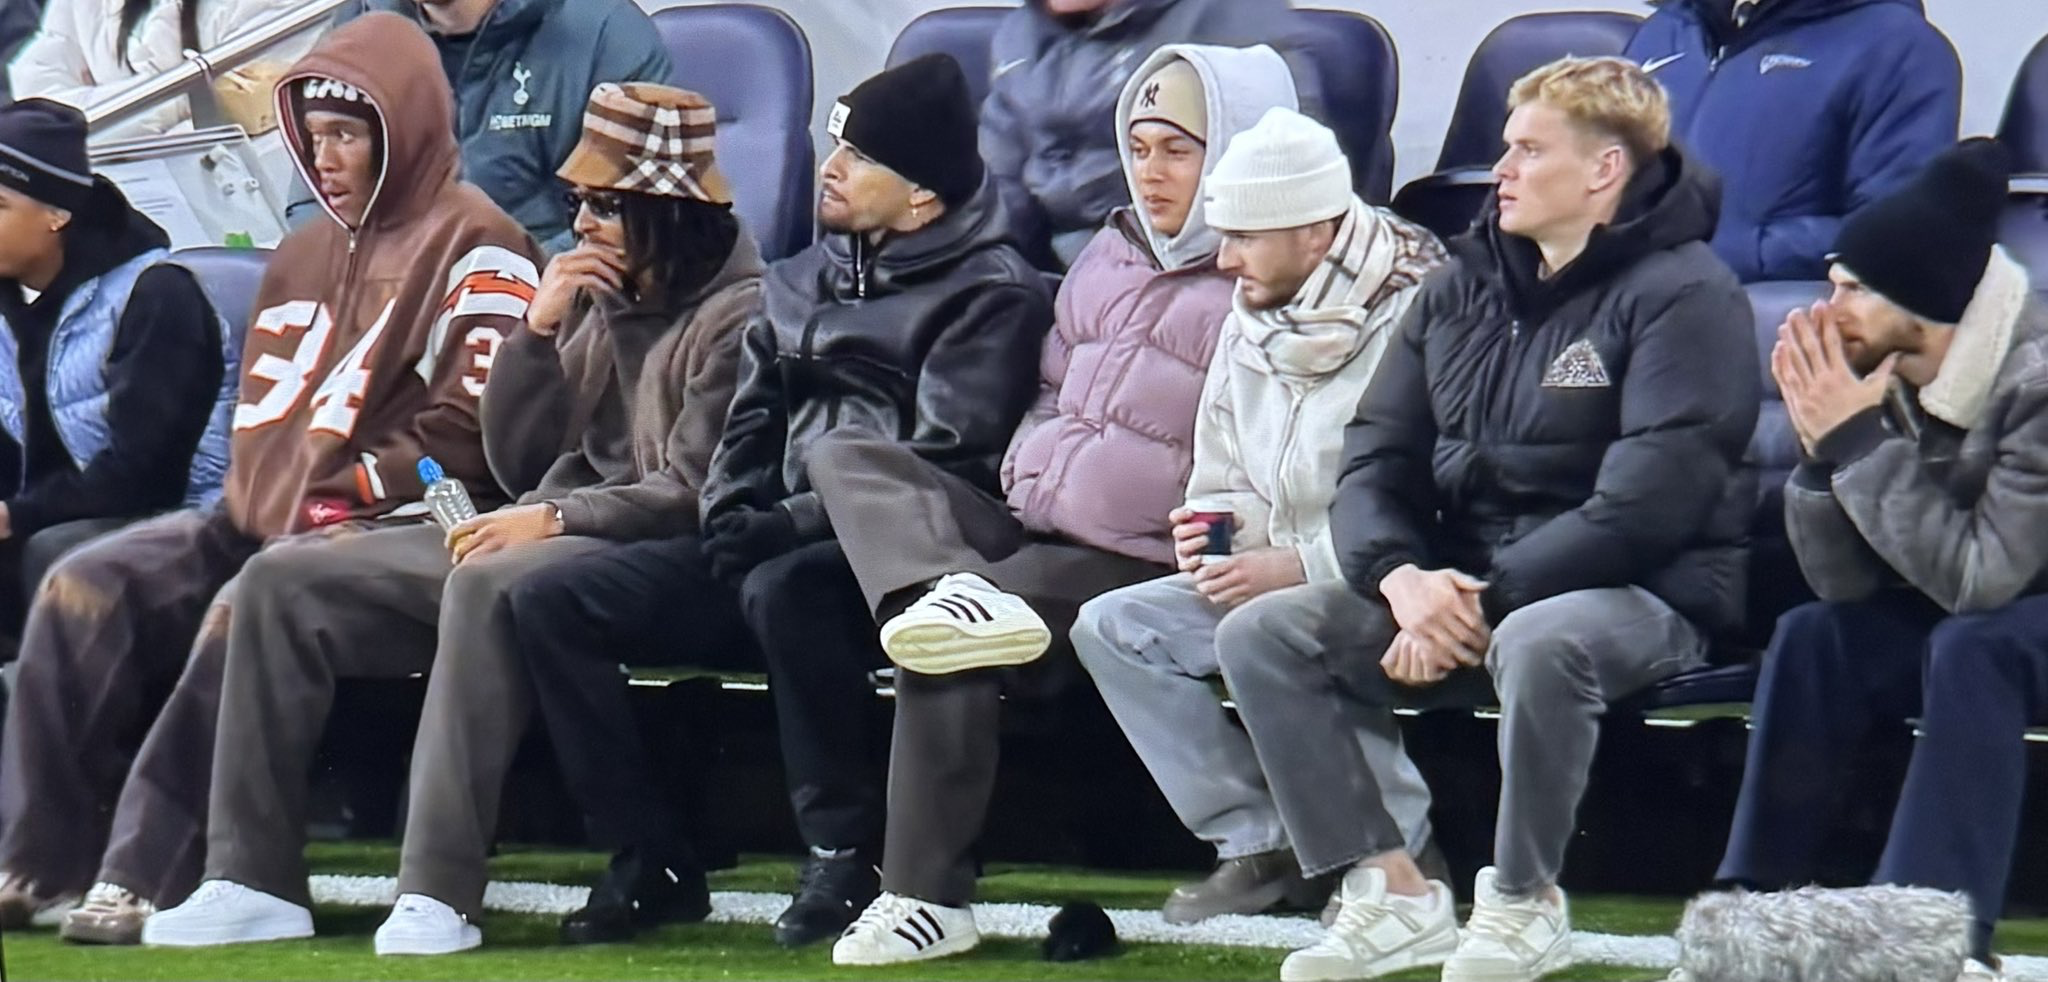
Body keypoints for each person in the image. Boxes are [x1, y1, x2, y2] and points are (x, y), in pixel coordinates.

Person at [1139, 57, 1755, 982]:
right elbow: (1375, 460)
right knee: (1267, 632)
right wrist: (1399, 577)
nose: (1499, 168)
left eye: (1527, 149)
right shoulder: (1460, 284)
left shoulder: (1688, 295)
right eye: (1505, 145)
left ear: (1602, 170)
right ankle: (1393, 891)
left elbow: (1648, 505)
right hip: (1456, 582)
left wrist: (1476, 597)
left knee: (1542, 640)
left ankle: (1522, 901)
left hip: (1640, 590)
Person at [120, 82, 758, 955]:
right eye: (578, 202)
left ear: (671, 211)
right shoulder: (599, 299)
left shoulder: (741, 315)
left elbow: (694, 487)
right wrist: (536, 333)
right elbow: (515, 461)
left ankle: (438, 892)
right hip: (543, 522)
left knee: (486, 582)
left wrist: (554, 521)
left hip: (641, 551)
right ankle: (251, 875)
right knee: (278, 578)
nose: (584, 226)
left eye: (608, 206)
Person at [816, 46, 1377, 966]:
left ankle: (922, 897)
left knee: (949, 633)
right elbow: (1052, 394)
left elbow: (1259, 458)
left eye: (1179, 150)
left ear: (1238, 151)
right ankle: (949, 585)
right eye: (1140, 146)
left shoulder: (1273, 280)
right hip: (1028, 524)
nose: (1150, 171)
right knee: (849, 456)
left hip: (1141, 552)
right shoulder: (1110, 250)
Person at [0, 10, 541, 941]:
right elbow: (266, 426)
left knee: (245, 599)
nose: (324, 158)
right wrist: (258, 504)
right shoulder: (300, 251)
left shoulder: (482, 243)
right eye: (314, 135)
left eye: (347, 135)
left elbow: (471, 436)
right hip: (271, 514)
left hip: (401, 522)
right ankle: (39, 858)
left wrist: (350, 494)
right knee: (85, 584)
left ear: (402, 127)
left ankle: (150, 869)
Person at [502, 52, 1052, 952]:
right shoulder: (797, 279)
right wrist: (728, 516)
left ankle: (844, 847)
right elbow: (747, 424)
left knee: (785, 589)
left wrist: (780, 526)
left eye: (859, 158)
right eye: (833, 147)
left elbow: (941, 460)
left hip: (910, 549)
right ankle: (651, 856)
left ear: (921, 197)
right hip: (771, 533)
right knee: (553, 600)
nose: (829, 169)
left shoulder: (992, 294)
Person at [1067, 103, 1446, 940]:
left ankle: (1398, 856)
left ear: (1315, 232)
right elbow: (1222, 465)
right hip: (1275, 570)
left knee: (1281, 625)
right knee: (1113, 626)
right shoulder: (1254, 308)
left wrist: (1299, 563)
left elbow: (1434, 498)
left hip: (1398, 578)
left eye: (1244, 238)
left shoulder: (1422, 315)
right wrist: (1215, 539)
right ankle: (1263, 841)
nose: (1225, 258)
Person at [1708, 138, 2040, 982]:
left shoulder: (2037, 378)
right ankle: (1756, 922)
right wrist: (1824, 455)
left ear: (1923, 302)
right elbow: (1844, 584)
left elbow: (1982, 582)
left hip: (2012, 614)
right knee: (1816, 634)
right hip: (1984, 608)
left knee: (1974, 649)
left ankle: (1930, 942)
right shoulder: (1882, 374)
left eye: (1854, 288)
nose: (1831, 307)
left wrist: (1856, 444)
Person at [0, 98, 232, 644]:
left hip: (179, 517)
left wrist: (14, 515)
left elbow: (144, 472)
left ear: (57, 214)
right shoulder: (9, 305)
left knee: (56, 554)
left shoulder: (154, 295)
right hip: (52, 511)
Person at [1624, 0, 1960, 282]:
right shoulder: (1666, 30)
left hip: (1760, 332)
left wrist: (1728, 254)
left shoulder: (1900, 47)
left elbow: (1896, 234)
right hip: (1616, 323)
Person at [982, 0, 1318, 271]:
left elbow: (1284, 177)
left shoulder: (1231, 15)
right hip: (1056, 281)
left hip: (1187, 272)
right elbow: (997, 184)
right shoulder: (1022, 34)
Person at [311, 0, 671, 253]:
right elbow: (312, 204)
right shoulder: (357, 31)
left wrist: (495, 286)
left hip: (560, 302)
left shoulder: (604, 30)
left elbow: (641, 209)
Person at [8, 0, 311, 138]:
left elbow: (243, 107)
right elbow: (38, 102)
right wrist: (184, 100)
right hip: (109, 191)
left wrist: (96, 105)